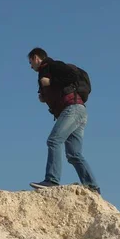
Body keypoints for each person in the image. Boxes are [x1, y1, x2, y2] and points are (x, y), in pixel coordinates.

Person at [27, 47, 100, 194]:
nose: (31, 66)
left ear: (36, 58)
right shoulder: (45, 72)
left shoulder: (52, 65)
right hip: (77, 111)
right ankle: (92, 187)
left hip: (73, 109)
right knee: (74, 154)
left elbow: (71, 75)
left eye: (30, 62)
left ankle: (52, 180)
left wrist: (51, 82)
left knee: (54, 140)